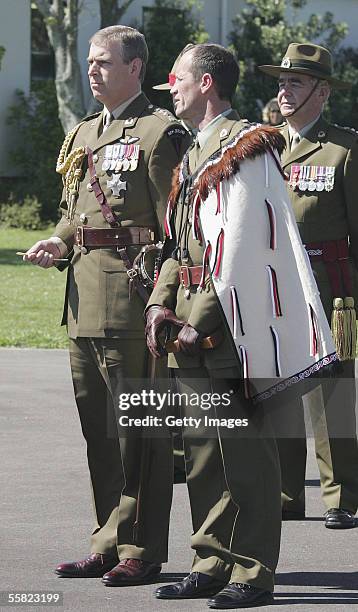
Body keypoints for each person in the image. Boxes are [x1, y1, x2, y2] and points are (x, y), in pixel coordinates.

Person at [145, 43, 336, 609]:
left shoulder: (246, 146)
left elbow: (243, 248)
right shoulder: (196, 152)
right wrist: (161, 304)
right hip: (188, 321)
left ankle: (253, 571)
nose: (170, 88)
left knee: (246, 454)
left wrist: (192, 320)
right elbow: (178, 246)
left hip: (233, 329)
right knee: (204, 453)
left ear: (206, 83)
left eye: (176, 79)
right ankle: (209, 560)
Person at [24, 25, 191, 585]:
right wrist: (60, 239)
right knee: (99, 432)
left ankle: (140, 549)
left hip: (132, 303)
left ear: (136, 67)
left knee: (140, 434)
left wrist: (164, 301)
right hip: (82, 303)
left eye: (103, 62)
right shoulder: (85, 132)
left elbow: (180, 230)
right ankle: (107, 539)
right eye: (90, 62)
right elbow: (78, 211)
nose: (92, 70)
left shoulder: (159, 132)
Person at [259, 42, 358, 528]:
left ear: (321, 91)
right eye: (281, 82)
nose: (283, 90)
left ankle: (340, 497)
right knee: (279, 389)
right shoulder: (263, 145)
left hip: (328, 284)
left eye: (294, 82)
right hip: (277, 286)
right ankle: (285, 491)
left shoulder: (344, 148)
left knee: (330, 397)